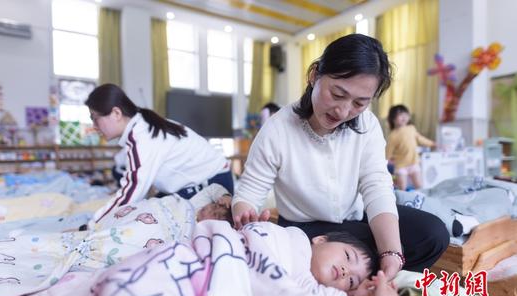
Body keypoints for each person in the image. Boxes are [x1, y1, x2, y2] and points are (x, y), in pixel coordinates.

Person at [232, 34, 449, 281]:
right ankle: (357, 279)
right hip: (306, 229)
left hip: (354, 215)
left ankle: (364, 277)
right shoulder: (278, 129)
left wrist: (391, 252)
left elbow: (376, 186)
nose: (344, 111)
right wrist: (245, 214)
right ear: (314, 75)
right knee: (360, 250)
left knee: (432, 234)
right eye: (337, 94)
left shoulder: (367, 125)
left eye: (359, 102)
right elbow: (249, 192)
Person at [85, 84, 234, 224]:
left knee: (154, 218)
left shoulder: (141, 136)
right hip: (209, 178)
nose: (94, 126)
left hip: (214, 186)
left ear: (116, 113)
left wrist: (94, 224)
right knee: (146, 209)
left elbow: (131, 192)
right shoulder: (142, 125)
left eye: (95, 119)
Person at [386, 104, 436, 190]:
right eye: (400, 115)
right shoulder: (393, 135)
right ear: (393, 118)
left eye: (406, 114)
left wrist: (432, 144)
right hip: (401, 165)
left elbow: (420, 139)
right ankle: (402, 202)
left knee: (419, 186)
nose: (404, 117)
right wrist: (387, 159)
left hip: (414, 163)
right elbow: (388, 150)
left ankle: (420, 201)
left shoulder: (411, 128)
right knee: (402, 187)